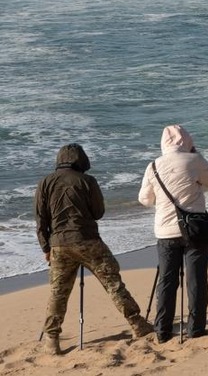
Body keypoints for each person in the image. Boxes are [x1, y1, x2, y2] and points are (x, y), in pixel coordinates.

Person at [35, 143, 153, 355]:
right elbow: (98, 212)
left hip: (59, 244)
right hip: (87, 240)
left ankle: (52, 339)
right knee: (113, 283)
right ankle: (137, 324)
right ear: (81, 160)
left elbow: (40, 219)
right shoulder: (87, 181)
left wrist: (46, 247)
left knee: (58, 292)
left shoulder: (45, 182)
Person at [139, 125, 208, 342]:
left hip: (166, 231)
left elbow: (144, 199)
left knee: (166, 280)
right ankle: (196, 328)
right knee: (196, 279)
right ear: (187, 141)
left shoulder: (153, 166)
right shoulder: (195, 160)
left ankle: (163, 330)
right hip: (195, 229)